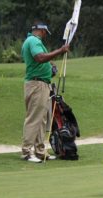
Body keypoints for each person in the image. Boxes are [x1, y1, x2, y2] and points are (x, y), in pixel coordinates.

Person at [21, 21, 69, 163]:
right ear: (41, 30)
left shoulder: (32, 41)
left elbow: (42, 60)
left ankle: (40, 151)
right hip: (37, 84)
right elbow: (39, 57)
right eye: (45, 33)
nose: (45, 35)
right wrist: (60, 51)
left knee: (41, 119)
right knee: (34, 118)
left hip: (41, 83)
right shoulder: (33, 40)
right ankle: (26, 151)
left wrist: (50, 66)